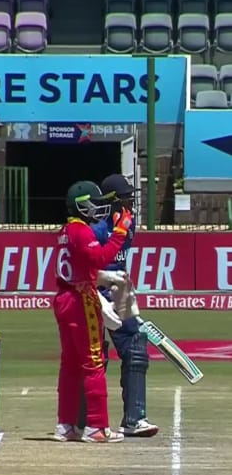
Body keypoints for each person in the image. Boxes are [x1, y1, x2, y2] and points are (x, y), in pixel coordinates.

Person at [53, 180, 133, 443]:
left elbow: (86, 265)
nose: (98, 209)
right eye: (94, 204)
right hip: (80, 299)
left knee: (71, 365)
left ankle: (65, 426)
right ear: (82, 205)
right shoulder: (81, 232)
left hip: (64, 297)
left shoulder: (66, 230)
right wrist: (120, 233)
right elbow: (98, 258)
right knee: (93, 363)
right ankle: (97, 427)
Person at [89, 174, 159, 437]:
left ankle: (134, 419)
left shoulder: (129, 224)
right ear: (111, 201)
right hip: (94, 288)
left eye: (131, 197)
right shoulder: (96, 227)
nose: (130, 202)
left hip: (119, 287)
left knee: (136, 344)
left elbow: (119, 261)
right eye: (125, 197)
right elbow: (88, 265)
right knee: (94, 355)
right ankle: (86, 421)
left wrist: (127, 292)